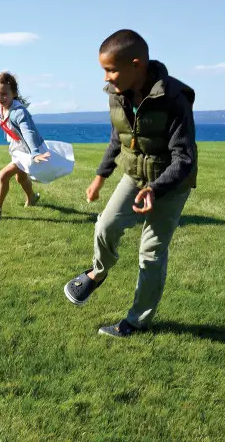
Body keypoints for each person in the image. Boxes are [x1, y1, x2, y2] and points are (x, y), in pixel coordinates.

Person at [63, 29, 198, 337]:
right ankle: (97, 273)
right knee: (105, 225)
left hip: (171, 183)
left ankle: (136, 321)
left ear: (136, 64)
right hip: (135, 175)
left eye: (111, 70)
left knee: (151, 253)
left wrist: (155, 189)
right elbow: (119, 139)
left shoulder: (174, 98)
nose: (107, 78)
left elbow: (184, 158)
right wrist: (99, 177)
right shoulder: (117, 94)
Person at [0, 72, 51, 221]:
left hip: (29, 150)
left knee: (3, 175)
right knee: (20, 179)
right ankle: (32, 198)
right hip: (18, 149)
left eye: (4, 94)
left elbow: (29, 132)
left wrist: (34, 153)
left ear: (13, 93)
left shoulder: (19, 112)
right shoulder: (0, 109)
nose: (0, 98)